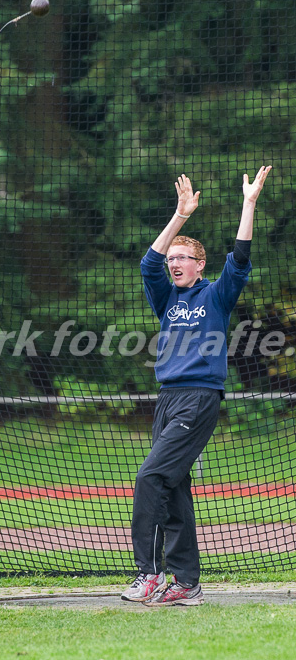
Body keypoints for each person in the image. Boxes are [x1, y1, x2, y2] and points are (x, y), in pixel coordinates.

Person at [121, 166, 272, 606]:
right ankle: (187, 584)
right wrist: (180, 216)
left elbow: (240, 259)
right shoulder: (167, 297)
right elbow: (149, 261)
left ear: (199, 265)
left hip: (199, 399)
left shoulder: (215, 295)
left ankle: (149, 574)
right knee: (173, 487)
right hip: (167, 400)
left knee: (150, 477)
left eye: (182, 258)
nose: (173, 262)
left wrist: (248, 204)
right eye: (173, 259)